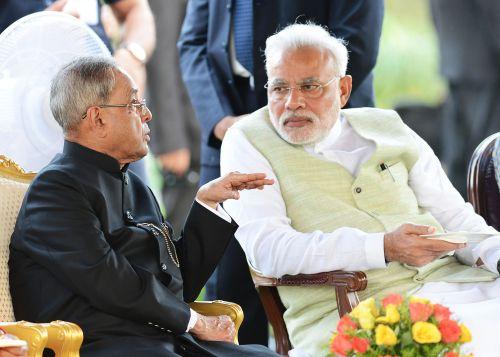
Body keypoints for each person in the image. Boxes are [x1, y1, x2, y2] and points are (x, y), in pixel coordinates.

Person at [221, 24, 500, 357]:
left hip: (460, 286)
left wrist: (494, 254)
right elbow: (269, 250)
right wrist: (382, 247)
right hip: (356, 312)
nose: (292, 102)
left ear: (342, 89)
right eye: (279, 88)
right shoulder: (249, 140)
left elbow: (454, 216)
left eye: (309, 86)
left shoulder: (389, 126)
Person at [9, 56, 276, 357]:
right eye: (134, 104)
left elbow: (177, 286)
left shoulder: (133, 184)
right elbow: (107, 279)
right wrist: (194, 320)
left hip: (165, 344)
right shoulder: (57, 189)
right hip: (105, 347)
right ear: (97, 118)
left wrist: (207, 204)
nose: (147, 114)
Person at [178, 0, 384, 344]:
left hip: (314, 125)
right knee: (229, 288)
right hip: (229, 123)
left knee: (326, 277)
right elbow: (194, 43)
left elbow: (356, 42)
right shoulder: (231, 135)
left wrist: (282, 119)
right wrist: (221, 122)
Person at [0, 0, 155, 180]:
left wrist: (133, 54)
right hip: (22, 130)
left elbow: (135, 7)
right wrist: (37, 33)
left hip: (112, 113)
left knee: (134, 203)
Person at [431, 0, 500, 196]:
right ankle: (486, 217)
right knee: (487, 152)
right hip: (487, 69)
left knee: (458, 151)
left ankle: (461, 213)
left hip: (454, 63)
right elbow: (494, 15)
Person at [146, 0, 201, 234]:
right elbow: (160, 51)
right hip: (187, 133)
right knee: (184, 237)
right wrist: (170, 140)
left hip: (218, 121)